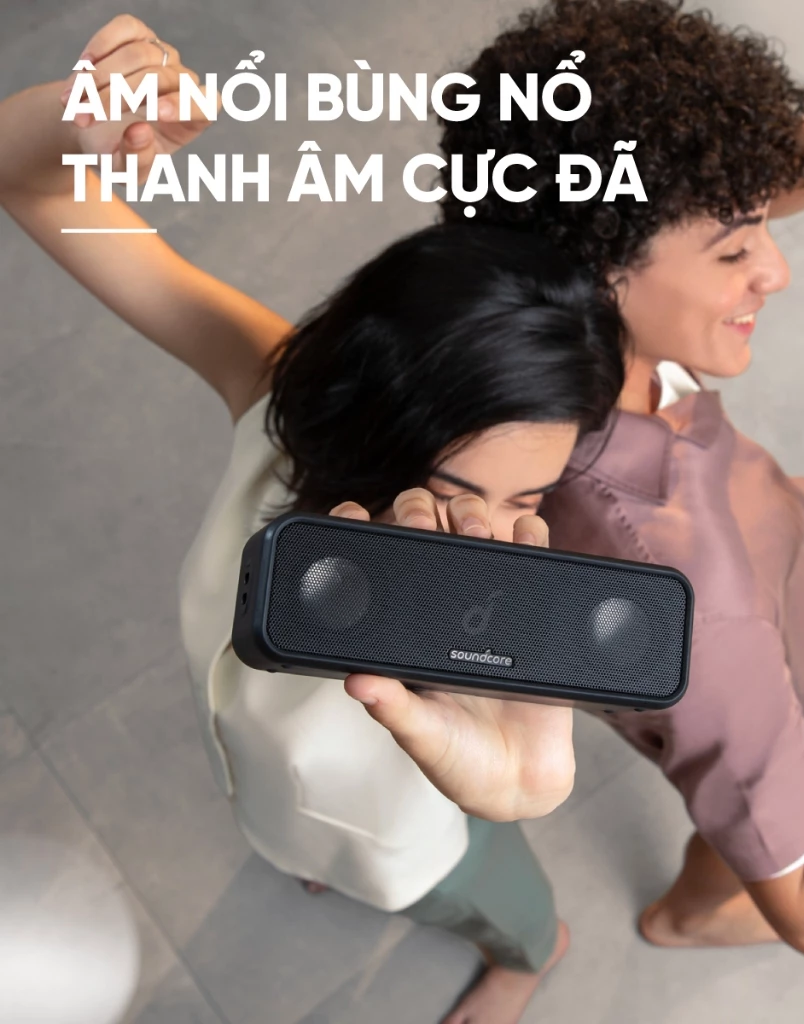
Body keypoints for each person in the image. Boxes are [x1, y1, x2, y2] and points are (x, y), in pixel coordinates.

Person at [0, 19, 628, 1023]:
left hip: (414, 848)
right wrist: (86, 117)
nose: (487, 534)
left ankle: (529, 953)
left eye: (525, 498)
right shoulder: (277, 390)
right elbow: (28, 181)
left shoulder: (504, 593)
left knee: (487, 904)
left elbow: (512, 758)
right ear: (369, 413)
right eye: (458, 486)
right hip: (276, 802)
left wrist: (508, 783)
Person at [435, 0, 804, 956]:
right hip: (783, 685)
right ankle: (688, 915)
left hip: (695, 640)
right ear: (601, 268)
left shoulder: (509, 302)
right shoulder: (691, 597)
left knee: (738, 810)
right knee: (750, 831)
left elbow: (675, 195)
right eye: (737, 247)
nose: (775, 269)